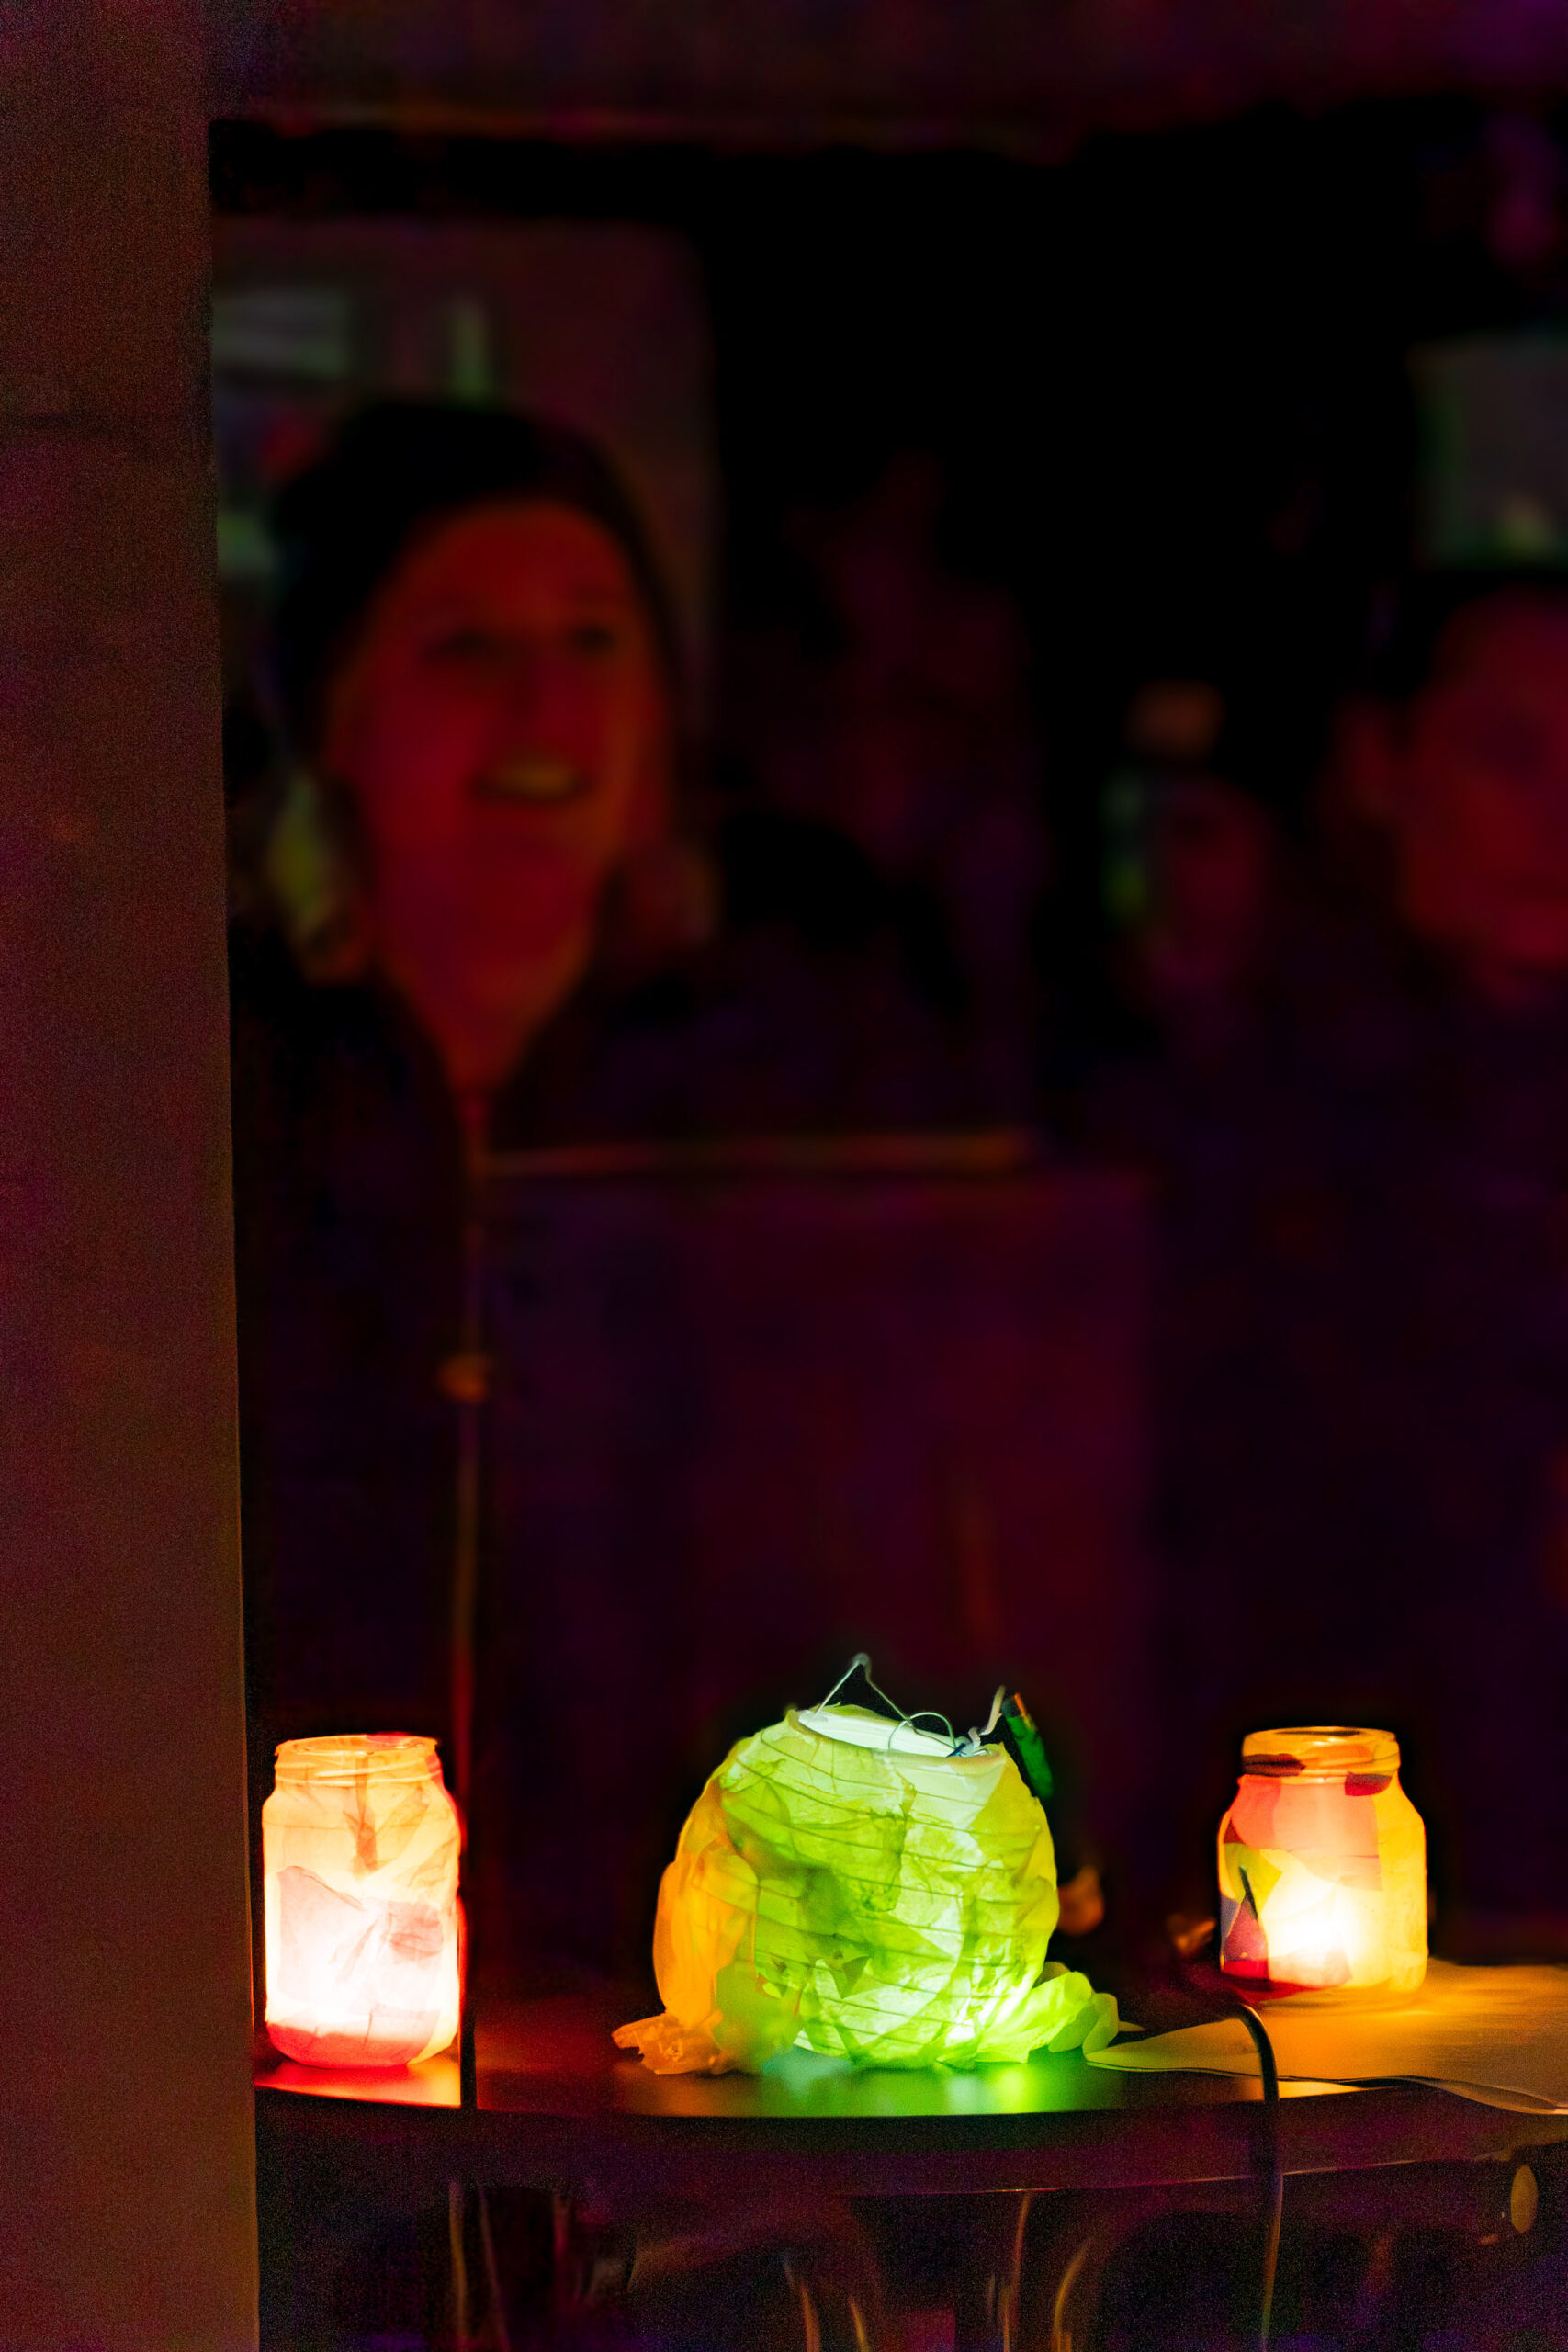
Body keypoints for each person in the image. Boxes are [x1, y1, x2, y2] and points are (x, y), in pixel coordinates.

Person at [230, 402, 978, 1970]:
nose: (544, 702)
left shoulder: (765, 1071)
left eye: (593, 638)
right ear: (334, 711)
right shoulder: (206, 1081)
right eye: (465, 645)